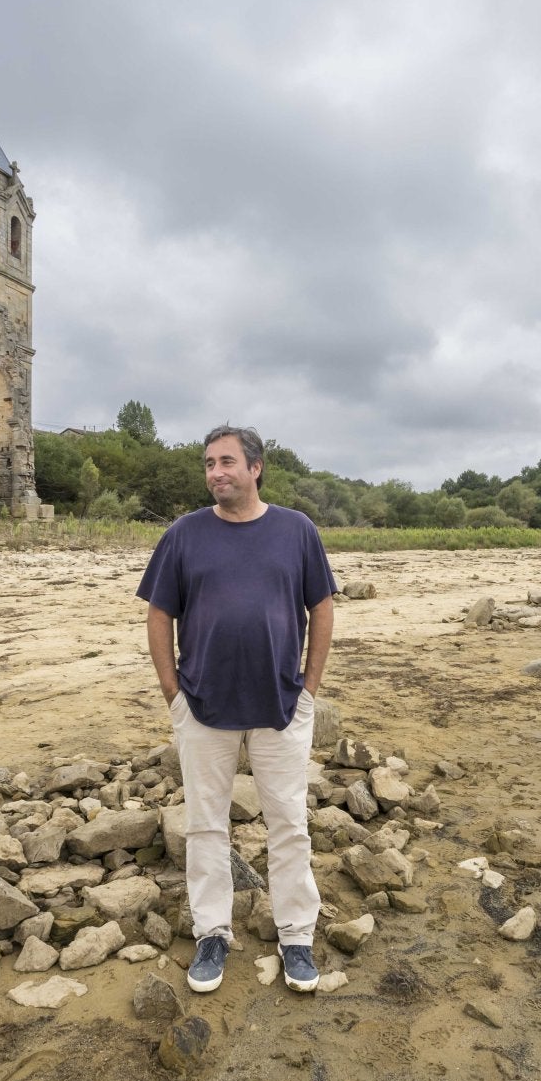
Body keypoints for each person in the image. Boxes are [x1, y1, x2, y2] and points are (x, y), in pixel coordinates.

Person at [137, 424, 336, 994]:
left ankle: (296, 935)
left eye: (226, 462)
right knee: (204, 825)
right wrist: (173, 694)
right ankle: (212, 933)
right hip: (201, 706)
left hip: (280, 704)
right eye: (208, 463)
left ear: (256, 468)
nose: (215, 472)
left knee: (289, 824)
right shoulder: (184, 534)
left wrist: (311, 689)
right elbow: (158, 615)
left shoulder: (296, 530)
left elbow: (321, 607)